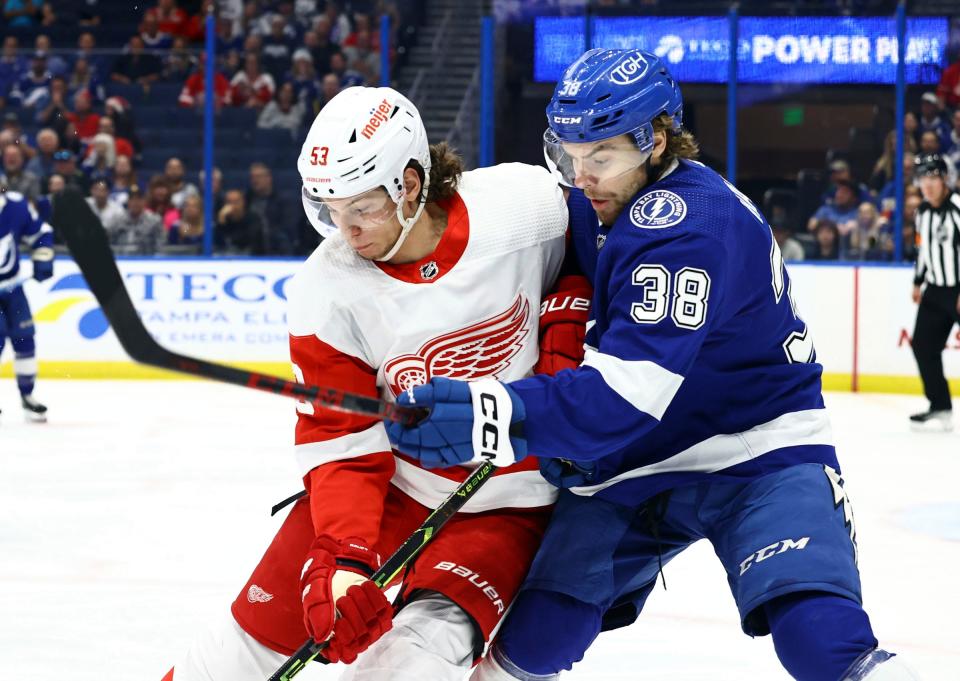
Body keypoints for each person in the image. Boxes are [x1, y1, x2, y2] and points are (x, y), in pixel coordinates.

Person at [389, 49, 916, 681]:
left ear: (656, 140)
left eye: (601, 158)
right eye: (569, 156)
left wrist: (492, 411)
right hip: (636, 458)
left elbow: (625, 398)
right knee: (537, 637)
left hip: (754, 444)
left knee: (818, 637)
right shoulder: (597, 200)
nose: (582, 177)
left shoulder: (689, 227)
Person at [161, 85, 572, 681]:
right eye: (331, 210)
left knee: (405, 666)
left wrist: (565, 339)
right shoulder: (326, 291)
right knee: (231, 659)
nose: (346, 231)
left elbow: (601, 267)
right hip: (393, 489)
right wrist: (340, 559)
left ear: (410, 184)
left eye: (362, 209)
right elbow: (344, 440)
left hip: (507, 500)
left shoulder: (526, 207)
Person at [909, 153, 960, 430]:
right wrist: (918, 282)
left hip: (959, 289)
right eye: (922, 179)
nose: (926, 185)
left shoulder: (957, 208)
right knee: (923, 347)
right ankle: (940, 405)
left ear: (944, 180)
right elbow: (924, 251)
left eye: (932, 178)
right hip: (935, 291)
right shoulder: (923, 213)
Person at [0, 188, 54, 422]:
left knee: (25, 339)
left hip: (13, 289)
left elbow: (41, 232)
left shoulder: (16, 205)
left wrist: (43, 259)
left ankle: (27, 395)